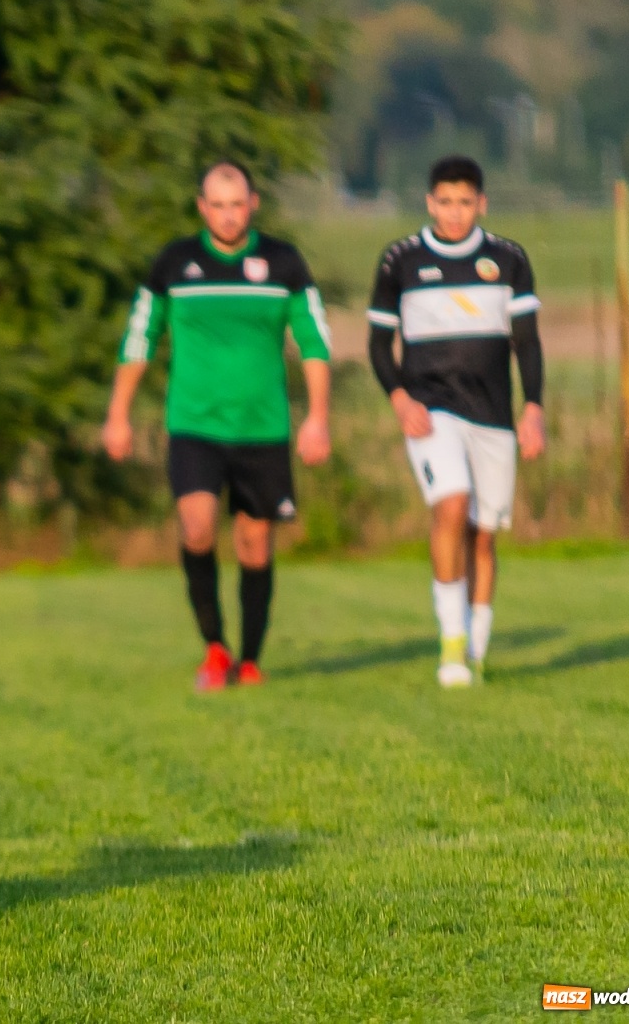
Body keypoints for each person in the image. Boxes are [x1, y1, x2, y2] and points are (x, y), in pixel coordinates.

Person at [103, 162, 332, 691]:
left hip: (263, 428)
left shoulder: (283, 263)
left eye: (237, 204)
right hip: (194, 426)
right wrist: (118, 415)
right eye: (217, 204)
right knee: (197, 526)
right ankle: (214, 647)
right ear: (202, 208)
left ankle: (250, 659)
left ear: (252, 204)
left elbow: (314, 341)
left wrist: (318, 418)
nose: (227, 214)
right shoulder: (175, 264)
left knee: (255, 544)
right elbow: (140, 337)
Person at [366, 155, 545, 688]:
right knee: (452, 502)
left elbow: (527, 342)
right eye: (445, 201)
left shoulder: (508, 259)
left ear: (481, 203)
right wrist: (399, 397)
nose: (454, 212)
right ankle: (451, 647)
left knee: (482, 537)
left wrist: (533, 407)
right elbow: (378, 343)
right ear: (429, 202)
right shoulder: (400, 259)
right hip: (429, 409)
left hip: (492, 415)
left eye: (465, 202)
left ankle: (478, 645)